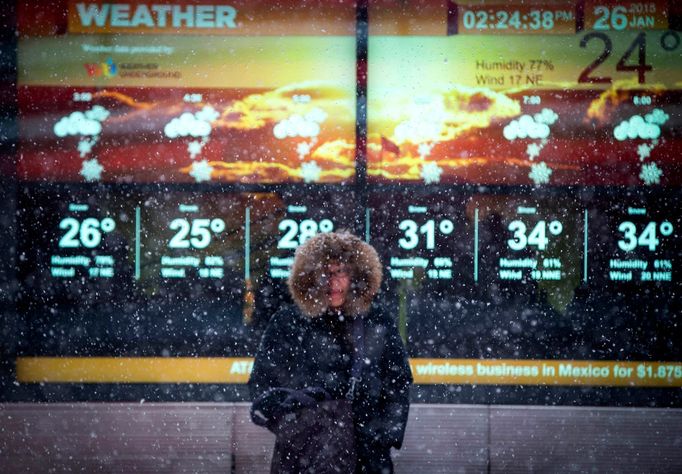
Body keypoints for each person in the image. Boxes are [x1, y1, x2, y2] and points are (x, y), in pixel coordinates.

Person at [249, 230, 412, 473]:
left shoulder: (376, 321)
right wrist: (292, 421)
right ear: (310, 277)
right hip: (301, 457)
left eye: (341, 271)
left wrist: (381, 436)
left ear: (356, 275)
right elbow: (261, 384)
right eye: (324, 272)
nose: (332, 282)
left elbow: (398, 382)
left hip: (365, 458)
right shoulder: (288, 322)